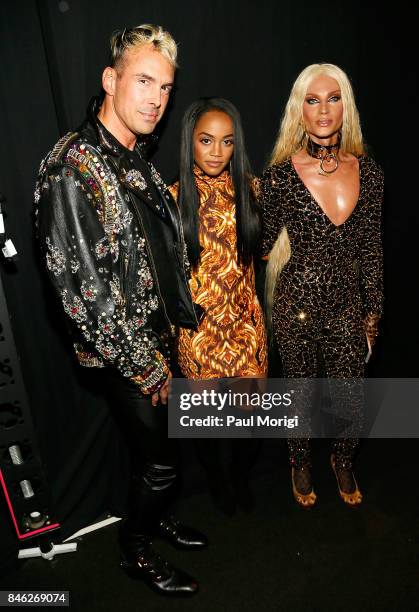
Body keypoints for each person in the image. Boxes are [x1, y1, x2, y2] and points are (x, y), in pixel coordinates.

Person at [35, 24, 207, 596]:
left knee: (164, 453)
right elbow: (84, 293)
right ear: (110, 80)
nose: (156, 98)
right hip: (128, 352)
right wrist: (145, 365)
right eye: (143, 81)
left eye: (165, 86)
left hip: (159, 339)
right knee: (161, 463)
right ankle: (134, 547)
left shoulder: (135, 156)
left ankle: (153, 521)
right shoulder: (72, 166)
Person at [260, 63, 383, 508]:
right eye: (312, 100)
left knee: (351, 400)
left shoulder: (369, 173)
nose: (324, 109)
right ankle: (300, 460)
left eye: (333, 98)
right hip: (295, 305)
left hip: (348, 307)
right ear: (300, 111)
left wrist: (373, 313)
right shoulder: (280, 175)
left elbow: (371, 247)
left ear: (345, 106)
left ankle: (343, 459)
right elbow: (261, 244)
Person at [169, 98, 268, 513]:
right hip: (199, 332)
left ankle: (238, 477)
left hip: (246, 326)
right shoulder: (171, 199)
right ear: (190, 141)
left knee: (252, 425)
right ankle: (218, 480)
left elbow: (268, 257)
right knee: (208, 430)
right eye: (206, 140)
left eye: (227, 142)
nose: (216, 152)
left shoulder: (252, 189)